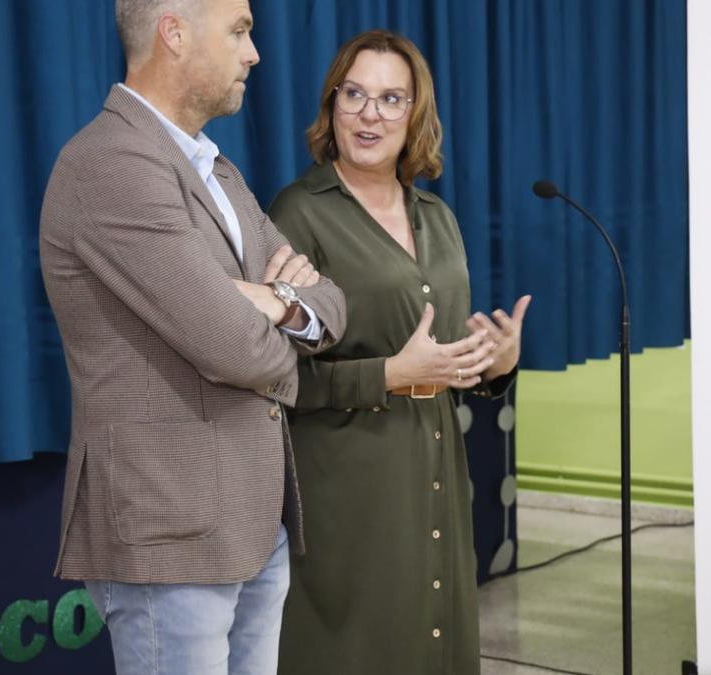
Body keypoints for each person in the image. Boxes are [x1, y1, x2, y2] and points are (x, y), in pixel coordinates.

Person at [38, 1, 346, 672]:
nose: (255, 52)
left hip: (253, 523)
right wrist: (273, 328)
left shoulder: (218, 170)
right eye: (239, 30)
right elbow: (231, 347)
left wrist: (272, 301)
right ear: (172, 33)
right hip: (171, 532)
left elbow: (332, 304)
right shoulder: (110, 162)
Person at [268, 29, 531, 674]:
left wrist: (494, 363)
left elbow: (442, 355)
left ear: (415, 113)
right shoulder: (299, 213)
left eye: (391, 98)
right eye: (354, 94)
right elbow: (275, 375)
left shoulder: (437, 216)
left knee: (436, 639)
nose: (370, 113)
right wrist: (388, 374)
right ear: (332, 105)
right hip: (345, 471)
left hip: (435, 453)